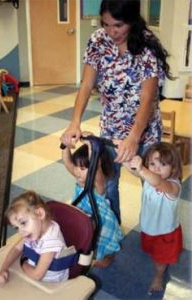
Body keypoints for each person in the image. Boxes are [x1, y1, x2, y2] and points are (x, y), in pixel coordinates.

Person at [60, 0, 173, 224]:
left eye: (118, 25)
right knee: (108, 184)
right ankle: (110, 235)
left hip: (145, 132)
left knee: (152, 185)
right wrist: (75, 122)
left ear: (131, 20)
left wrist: (133, 137)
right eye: (106, 24)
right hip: (111, 129)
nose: (111, 32)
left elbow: (148, 98)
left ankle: (155, 233)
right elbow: (86, 84)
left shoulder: (146, 44)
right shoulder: (98, 41)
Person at [123, 142, 183, 293]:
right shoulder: (148, 176)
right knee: (151, 251)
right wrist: (122, 156)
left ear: (174, 168)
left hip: (165, 233)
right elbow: (134, 171)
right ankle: (158, 264)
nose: (156, 168)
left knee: (160, 259)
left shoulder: (173, 186)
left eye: (162, 164)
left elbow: (157, 182)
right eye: (152, 163)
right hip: (148, 227)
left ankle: (158, 275)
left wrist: (143, 168)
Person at [62, 137, 124, 268]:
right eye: (77, 166)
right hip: (85, 218)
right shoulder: (80, 179)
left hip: (101, 222)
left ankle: (109, 256)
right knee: (85, 238)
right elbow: (68, 163)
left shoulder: (98, 185)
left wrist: (92, 148)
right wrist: (65, 146)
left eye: (83, 168)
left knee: (102, 244)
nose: (77, 171)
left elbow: (96, 170)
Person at [0, 191, 69, 284]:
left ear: (40, 214)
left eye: (23, 223)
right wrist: (4, 269)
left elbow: (37, 275)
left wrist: (23, 263)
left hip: (50, 285)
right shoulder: (34, 231)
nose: (21, 232)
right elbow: (16, 249)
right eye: (16, 228)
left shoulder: (52, 241)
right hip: (32, 277)